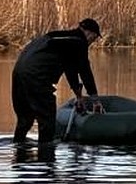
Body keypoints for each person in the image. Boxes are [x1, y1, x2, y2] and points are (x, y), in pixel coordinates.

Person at [11, 18, 102, 146]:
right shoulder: (79, 42)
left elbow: (71, 70)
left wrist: (79, 96)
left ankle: (18, 149)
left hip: (18, 73)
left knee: (25, 120)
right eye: (94, 38)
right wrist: (95, 99)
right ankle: (46, 156)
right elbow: (85, 71)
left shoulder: (60, 38)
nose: (92, 42)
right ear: (89, 32)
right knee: (47, 119)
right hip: (37, 76)